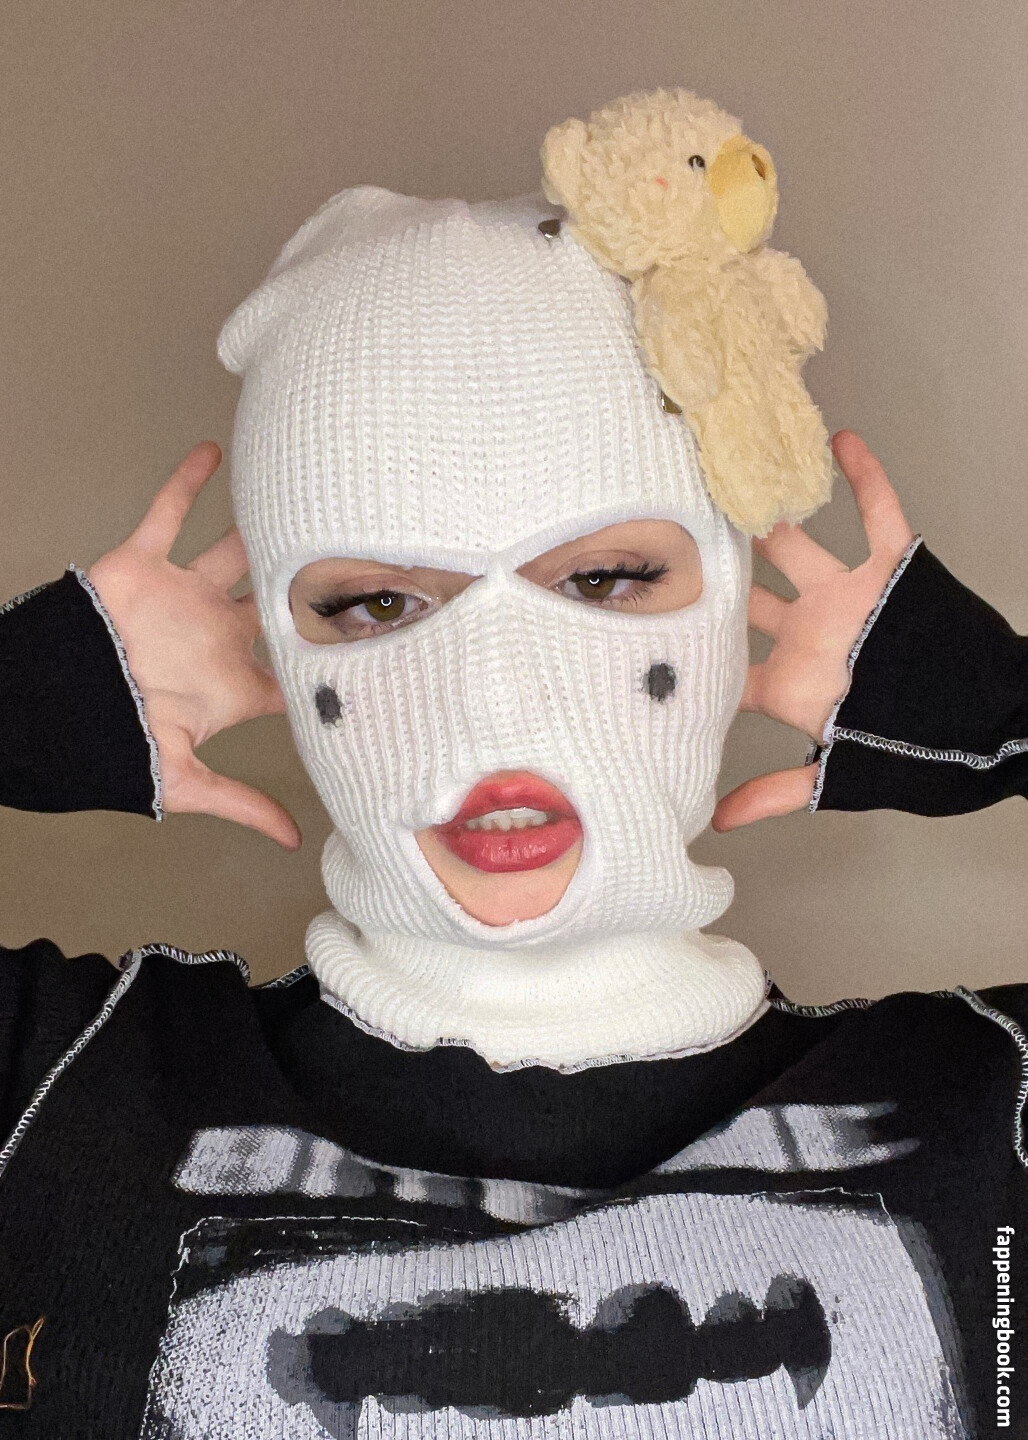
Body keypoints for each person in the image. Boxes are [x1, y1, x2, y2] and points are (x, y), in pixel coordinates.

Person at [0, 178, 1024, 1440]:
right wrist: (21, 704)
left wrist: (999, 718)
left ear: (721, 604)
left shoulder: (989, 1100)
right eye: (377, 603)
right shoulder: (59, 1080)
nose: (492, 701)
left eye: (601, 579)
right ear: (279, 638)